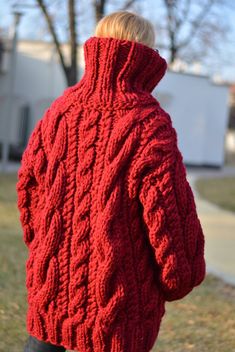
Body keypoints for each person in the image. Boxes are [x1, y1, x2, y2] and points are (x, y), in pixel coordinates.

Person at [16, 10, 206, 352]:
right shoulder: (148, 123)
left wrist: (49, 249)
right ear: (146, 54)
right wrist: (180, 277)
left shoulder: (60, 111)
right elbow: (169, 217)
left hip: (51, 290)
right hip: (117, 308)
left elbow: (29, 189)